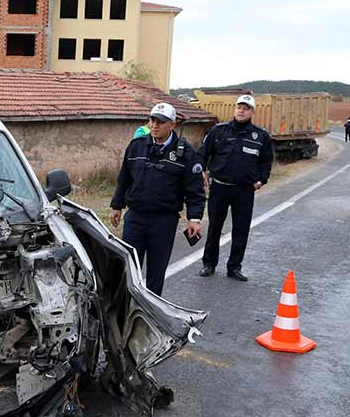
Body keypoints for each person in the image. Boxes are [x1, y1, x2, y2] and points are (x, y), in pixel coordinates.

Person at [110, 103, 205, 296]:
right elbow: (124, 179)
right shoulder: (136, 146)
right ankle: (128, 305)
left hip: (164, 220)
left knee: (156, 269)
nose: (155, 125)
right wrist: (117, 206)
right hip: (135, 217)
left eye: (160, 122)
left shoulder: (185, 153)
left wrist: (194, 218)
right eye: (152, 120)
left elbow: (194, 189)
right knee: (129, 266)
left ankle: (152, 310)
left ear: (172, 124)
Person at [198, 95, 274, 281]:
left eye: (246, 108)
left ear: (252, 112)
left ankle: (234, 267)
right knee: (214, 227)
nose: (241, 110)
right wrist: (201, 171)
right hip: (219, 188)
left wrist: (261, 180)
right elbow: (202, 154)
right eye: (239, 107)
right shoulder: (218, 131)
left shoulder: (260, 136)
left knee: (241, 230)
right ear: (235, 109)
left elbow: (266, 161)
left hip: (244, 191)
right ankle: (209, 263)